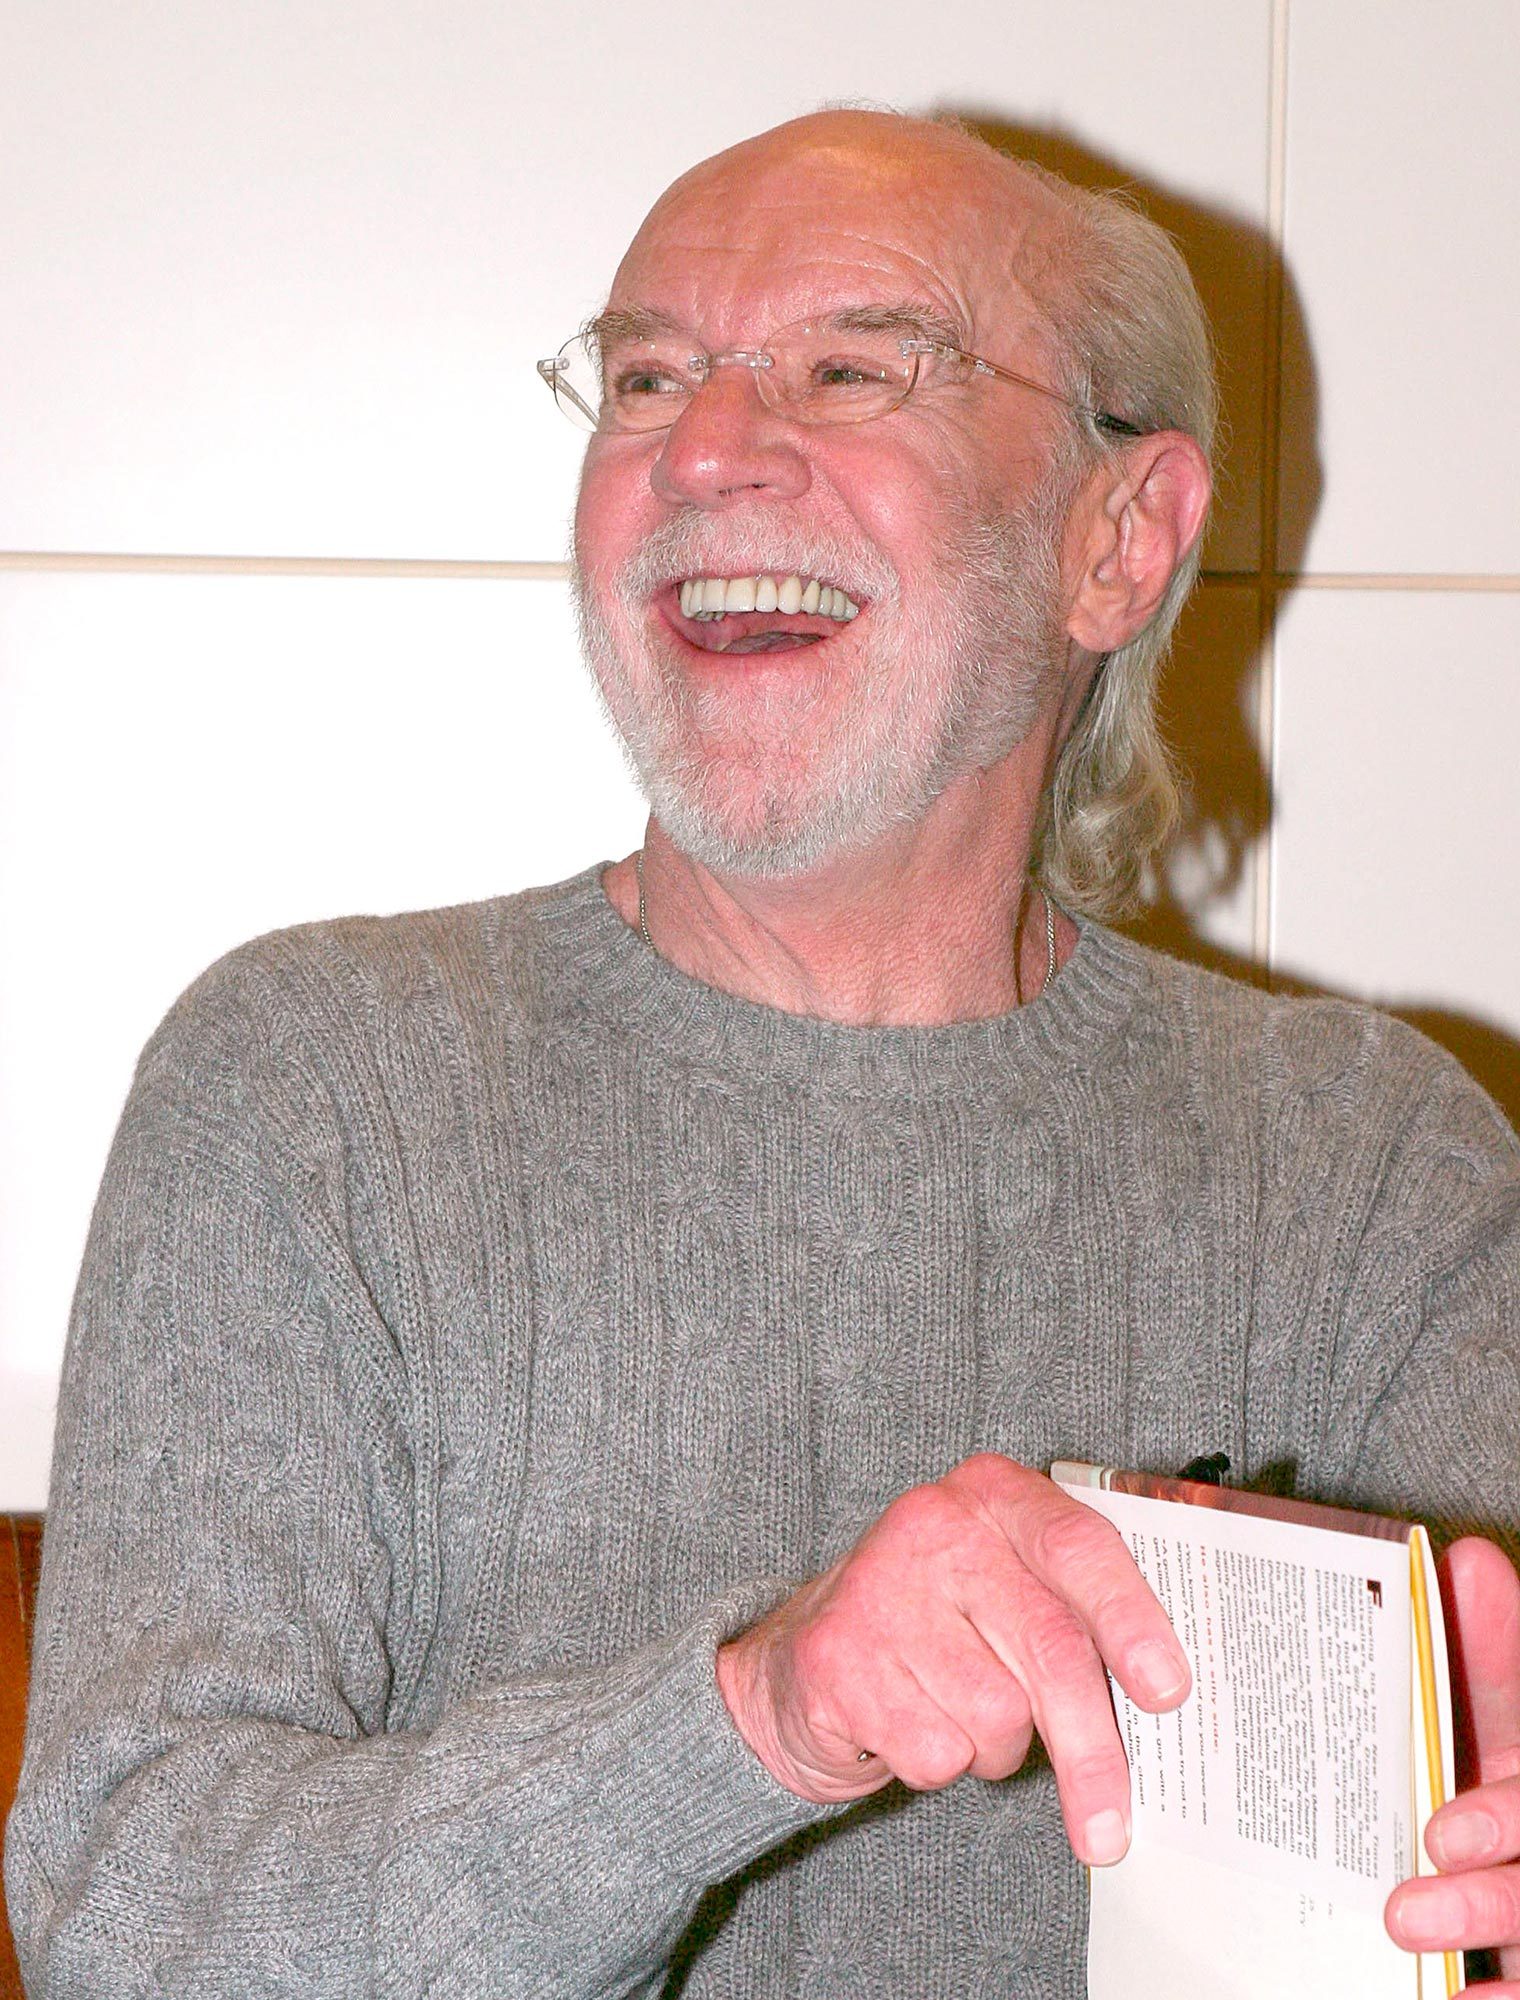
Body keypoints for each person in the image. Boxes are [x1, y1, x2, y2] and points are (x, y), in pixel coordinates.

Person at [7, 108, 1519, 1998]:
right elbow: (134, 1927)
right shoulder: (315, 1090)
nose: (704, 450)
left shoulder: (1374, 1171)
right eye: (643, 376)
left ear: (1119, 541)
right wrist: (760, 1719)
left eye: (852, 366)